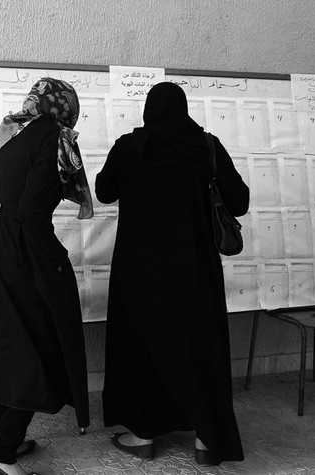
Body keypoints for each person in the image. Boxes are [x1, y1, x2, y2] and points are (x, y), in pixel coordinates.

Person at [96, 82, 248, 465]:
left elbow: (103, 191)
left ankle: (143, 435)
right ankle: (206, 441)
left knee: (142, 347)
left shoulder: (129, 147)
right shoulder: (206, 146)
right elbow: (240, 202)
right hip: (195, 268)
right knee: (198, 347)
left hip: (140, 270)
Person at [0, 78, 93, 475]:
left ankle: (7, 434)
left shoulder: (9, 130)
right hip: (25, 245)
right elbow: (33, 206)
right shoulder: (55, 137)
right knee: (40, 344)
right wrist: (53, 259)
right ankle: (2, 451)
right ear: (65, 108)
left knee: (8, 339)